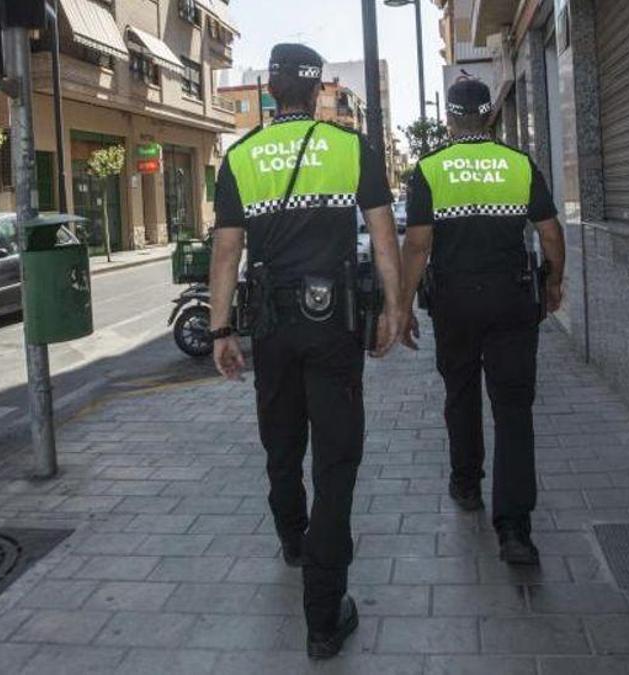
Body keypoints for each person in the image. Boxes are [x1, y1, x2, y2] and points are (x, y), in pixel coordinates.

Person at [208, 43, 404, 659]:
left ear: (270, 88)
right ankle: (323, 616)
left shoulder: (240, 157)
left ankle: (294, 537)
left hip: (271, 325)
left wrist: (220, 332)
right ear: (320, 90)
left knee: (282, 441)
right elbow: (381, 235)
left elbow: (227, 251)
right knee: (337, 459)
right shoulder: (351, 148)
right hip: (333, 324)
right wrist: (396, 308)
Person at [398, 78, 565, 566]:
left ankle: (467, 483)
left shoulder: (429, 169)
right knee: (514, 409)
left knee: (461, 392)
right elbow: (551, 234)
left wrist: (403, 305)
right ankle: (514, 530)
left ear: (450, 120)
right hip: (513, 301)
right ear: (489, 117)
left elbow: (417, 246)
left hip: (454, 303)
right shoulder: (519, 165)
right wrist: (553, 285)